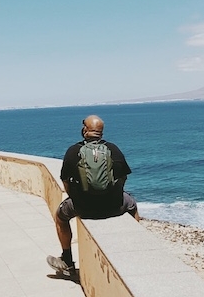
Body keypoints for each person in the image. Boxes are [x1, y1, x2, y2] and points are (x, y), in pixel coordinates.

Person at [47, 114, 139, 276]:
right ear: (101, 132)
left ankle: (67, 260)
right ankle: (136, 249)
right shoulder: (113, 149)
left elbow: (65, 181)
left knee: (60, 217)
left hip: (83, 208)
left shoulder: (73, 151)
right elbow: (123, 176)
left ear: (85, 131)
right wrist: (116, 194)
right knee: (132, 205)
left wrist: (74, 197)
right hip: (114, 205)